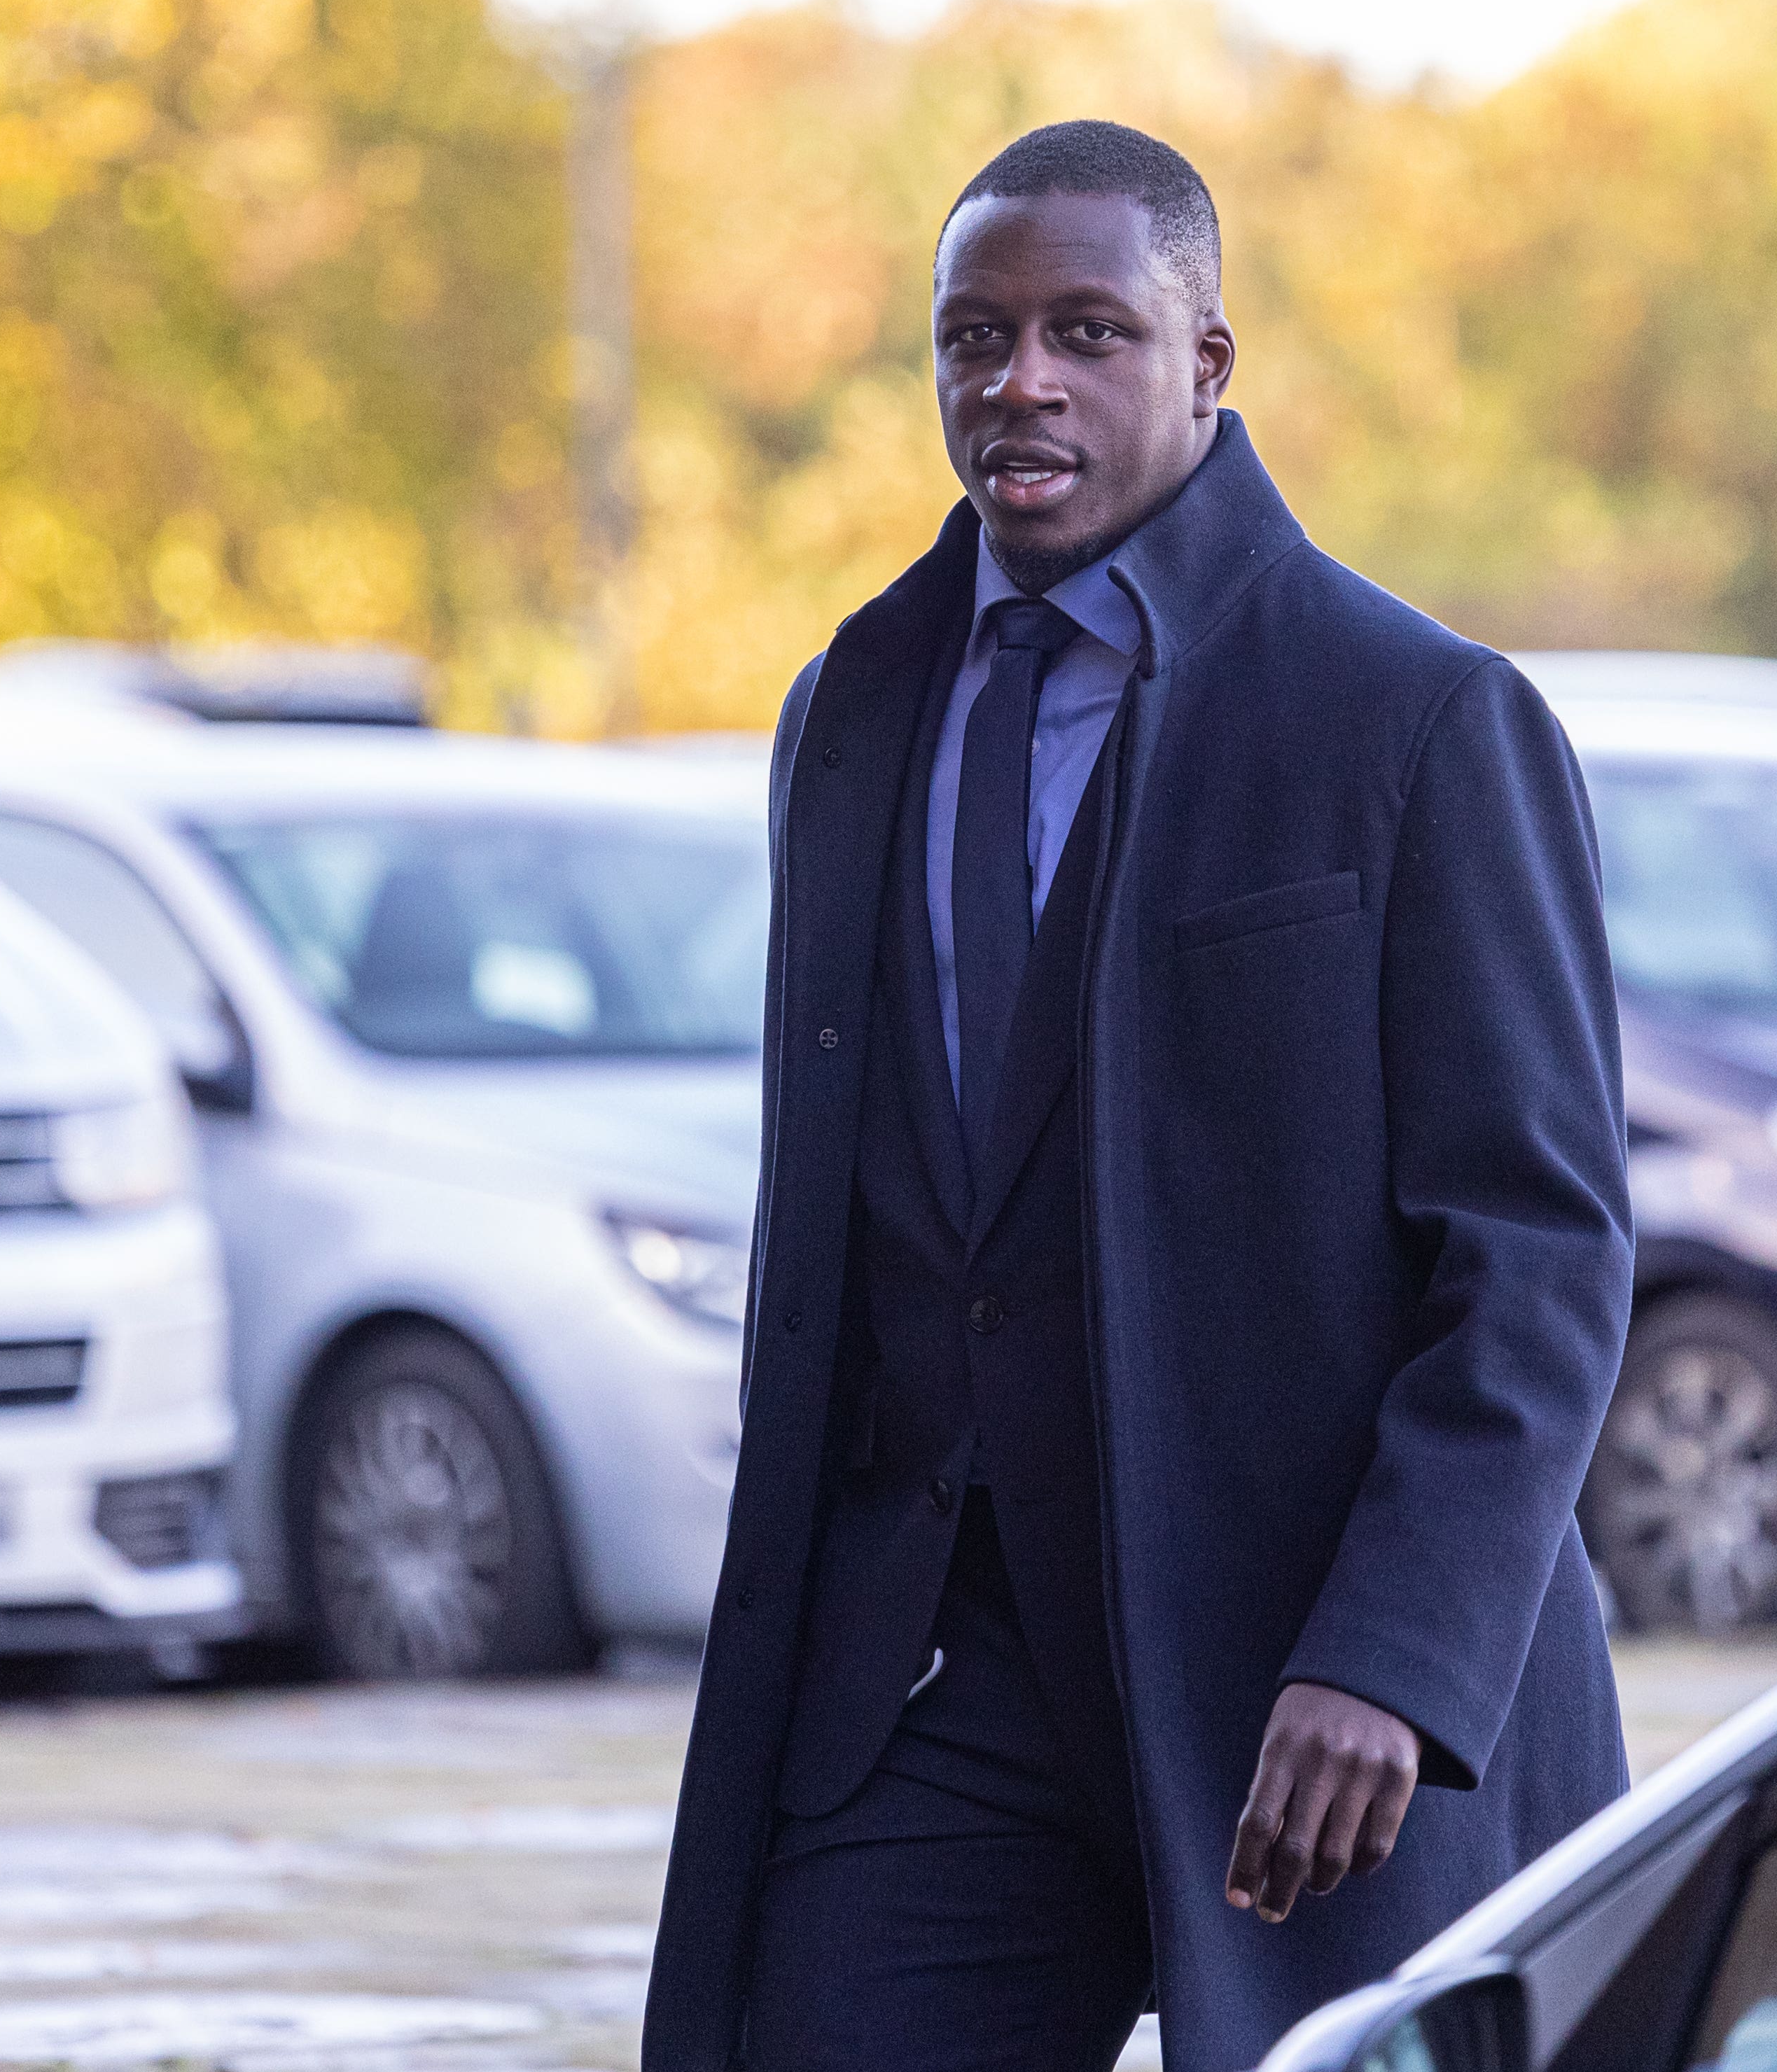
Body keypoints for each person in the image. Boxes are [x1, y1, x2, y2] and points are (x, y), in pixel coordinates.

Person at [641, 119, 1634, 2072]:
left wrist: (1397, 1655)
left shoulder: (1420, 719)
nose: (1019, 380)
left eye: (1088, 330)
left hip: (1316, 1684)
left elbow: (1542, 1249)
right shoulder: (851, 711)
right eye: (973, 336)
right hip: (942, 1681)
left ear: (1207, 360)